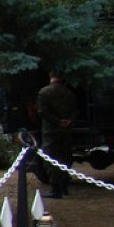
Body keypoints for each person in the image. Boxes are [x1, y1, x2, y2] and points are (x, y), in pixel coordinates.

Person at [37, 70, 78, 199]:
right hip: (66, 130)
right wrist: (69, 121)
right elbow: (75, 110)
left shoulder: (44, 92)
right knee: (65, 156)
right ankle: (64, 186)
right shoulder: (69, 93)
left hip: (51, 130)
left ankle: (56, 189)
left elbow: (42, 111)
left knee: (50, 158)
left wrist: (57, 121)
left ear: (50, 76)